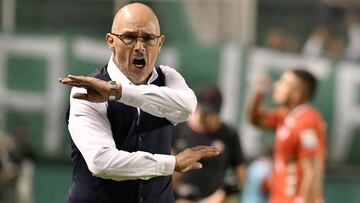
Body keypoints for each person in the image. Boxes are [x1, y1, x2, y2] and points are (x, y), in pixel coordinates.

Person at [59, 3, 219, 203]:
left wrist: (116, 92)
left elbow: (186, 108)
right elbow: (102, 162)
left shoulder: (168, 77)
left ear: (160, 43)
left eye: (148, 38)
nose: (140, 46)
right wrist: (172, 163)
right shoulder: (85, 91)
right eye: (129, 37)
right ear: (110, 41)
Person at [246, 69, 327, 203]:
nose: (277, 86)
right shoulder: (286, 115)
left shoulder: (308, 121)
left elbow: (313, 171)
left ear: (296, 94)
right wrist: (259, 93)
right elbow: (254, 119)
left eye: (284, 83)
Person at [171, 85, 245, 203]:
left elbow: (240, 174)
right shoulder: (178, 130)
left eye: (214, 113)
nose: (210, 118)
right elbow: (167, 168)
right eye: (206, 113)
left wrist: (226, 194)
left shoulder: (228, 134)